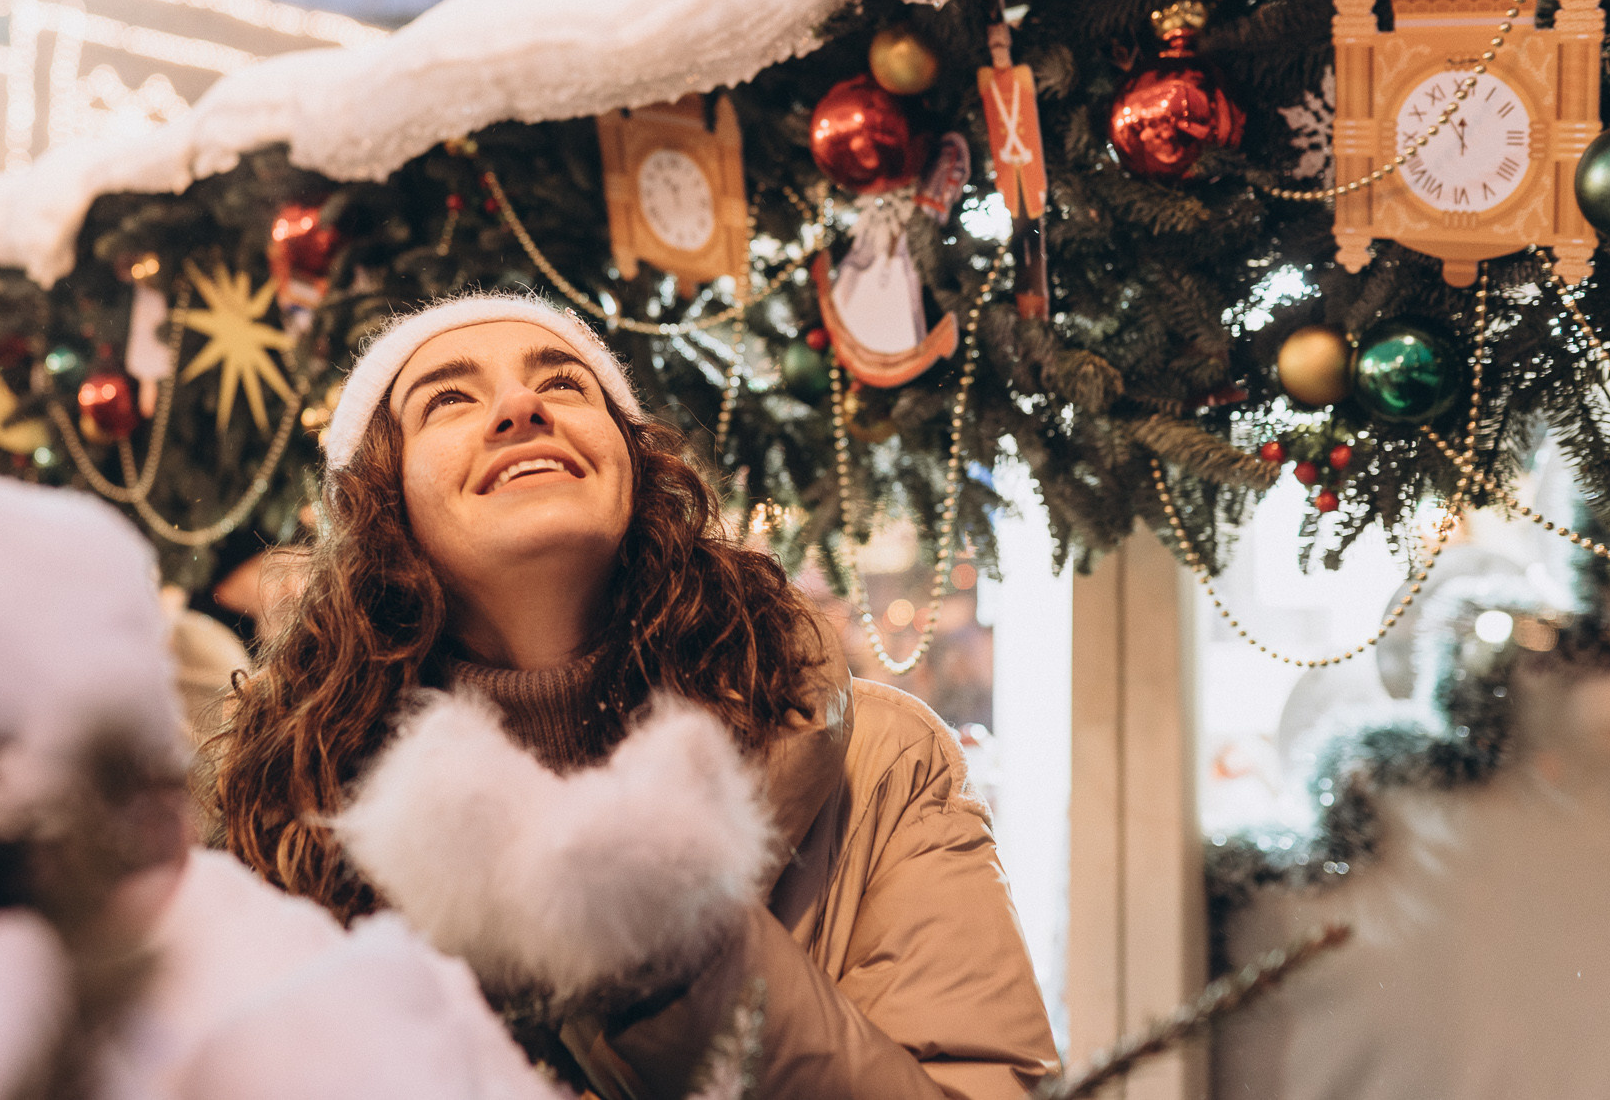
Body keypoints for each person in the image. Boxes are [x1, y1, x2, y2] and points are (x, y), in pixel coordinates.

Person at [216, 294, 1058, 1098]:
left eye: (562, 383)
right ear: (380, 503)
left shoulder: (883, 762)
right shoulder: (293, 811)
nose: (520, 407)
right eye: (447, 400)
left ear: (634, 463)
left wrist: (671, 948)